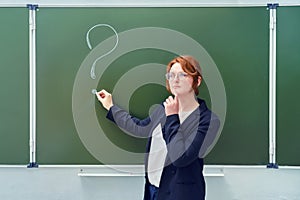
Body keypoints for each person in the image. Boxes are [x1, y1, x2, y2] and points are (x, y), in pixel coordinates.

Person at [96, 55, 220, 200]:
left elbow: (181, 157)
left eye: (183, 74)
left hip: (181, 194)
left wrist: (172, 117)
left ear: (197, 81)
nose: (175, 80)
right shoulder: (164, 108)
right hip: (154, 190)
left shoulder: (208, 120)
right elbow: (140, 128)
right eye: (171, 75)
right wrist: (110, 107)